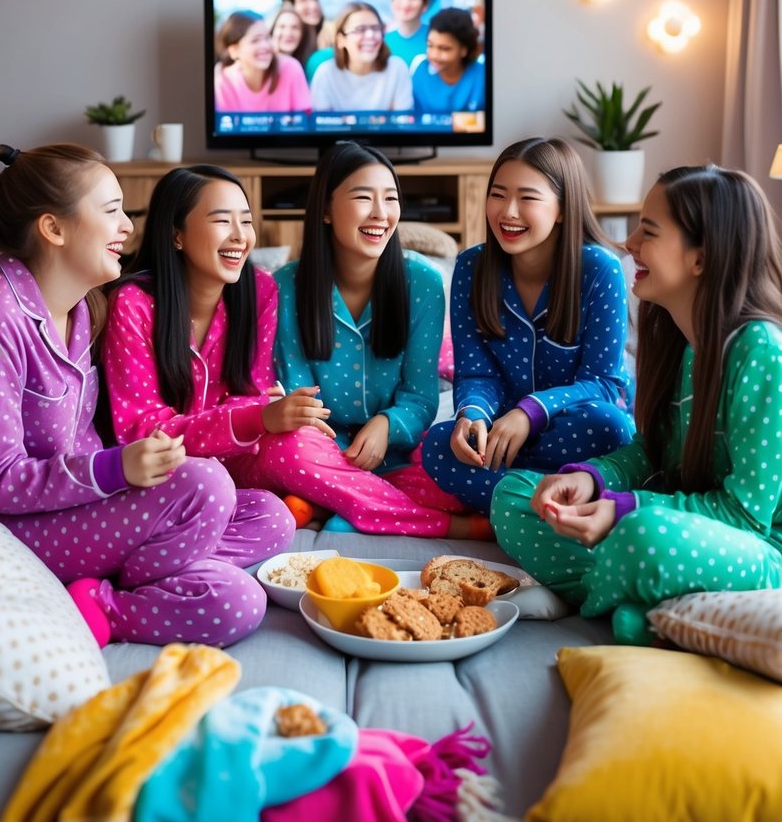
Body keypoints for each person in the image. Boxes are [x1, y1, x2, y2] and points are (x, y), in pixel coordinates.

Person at [0, 144, 293, 649]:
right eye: (112, 212)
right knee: (207, 490)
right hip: (24, 528)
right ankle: (104, 602)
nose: (128, 228)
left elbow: (83, 437)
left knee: (270, 517)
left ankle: (129, 579)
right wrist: (114, 471)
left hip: (81, 508)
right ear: (54, 228)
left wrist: (119, 474)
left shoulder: (83, 310)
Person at [103, 161, 481, 537]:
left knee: (298, 466)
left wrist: (260, 415)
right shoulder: (133, 304)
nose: (240, 236)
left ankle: (331, 505)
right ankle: (440, 526)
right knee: (292, 454)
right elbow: (141, 430)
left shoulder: (258, 290)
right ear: (176, 235)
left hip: (242, 461)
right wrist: (257, 418)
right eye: (222, 221)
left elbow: (252, 395)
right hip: (173, 470)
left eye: (246, 221)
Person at [490, 164, 782, 644]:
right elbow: (651, 454)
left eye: (647, 231)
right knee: (518, 495)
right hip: (669, 531)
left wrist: (623, 509)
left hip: (756, 551)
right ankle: (646, 608)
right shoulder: (678, 339)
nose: (628, 244)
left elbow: (746, 516)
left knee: (641, 536)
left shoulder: (759, 350)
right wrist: (591, 479)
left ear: (700, 259)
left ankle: (623, 598)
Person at [421, 137, 635, 515]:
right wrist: (472, 416)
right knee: (439, 446)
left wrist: (530, 412)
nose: (508, 211)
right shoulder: (471, 268)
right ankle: (561, 503)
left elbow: (603, 382)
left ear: (563, 209)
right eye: (498, 195)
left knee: (611, 427)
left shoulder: (601, 270)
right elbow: (476, 372)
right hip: (503, 431)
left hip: (576, 426)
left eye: (527, 198)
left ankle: (521, 501)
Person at [309, 2, 414, 113]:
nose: (370, 35)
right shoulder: (325, 73)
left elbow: (403, 123)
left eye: (375, 28)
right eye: (360, 29)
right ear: (341, 40)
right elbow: (321, 125)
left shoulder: (397, 68)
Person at [214, 10, 311, 114]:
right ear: (234, 50)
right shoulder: (223, 79)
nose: (265, 46)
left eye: (267, 37)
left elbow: (305, 122)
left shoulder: (291, 68)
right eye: (255, 40)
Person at [411, 7, 485, 115]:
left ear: (464, 49)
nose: (434, 55)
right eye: (430, 45)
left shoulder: (482, 75)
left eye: (444, 48)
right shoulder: (420, 73)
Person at [384, 0, 434, 66]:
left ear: (425, 4)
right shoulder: (382, 41)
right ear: (392, 0)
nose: (406, 3)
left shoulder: (436, 38)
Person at [269, 3, 317, 69]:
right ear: (272, 31)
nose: (288, 33)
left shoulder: (309, 66)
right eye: (282, 26)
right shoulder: (261, 66)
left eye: (295, 27)